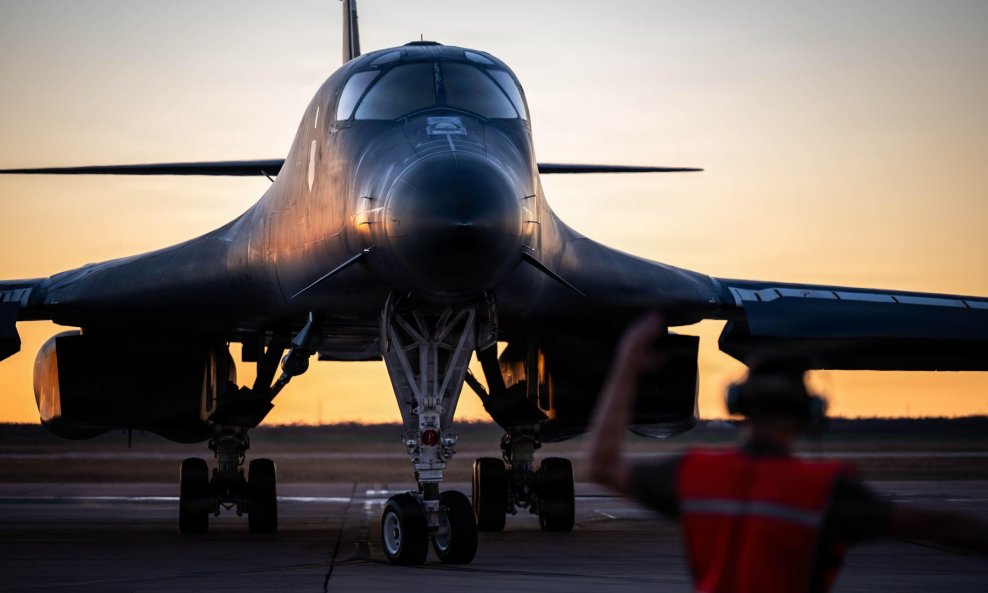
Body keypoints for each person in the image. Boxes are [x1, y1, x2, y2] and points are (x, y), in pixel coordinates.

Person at [587, 312, 988, 593]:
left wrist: (628, 360)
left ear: (737, 403)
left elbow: (603, 466)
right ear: (811, 411)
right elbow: (941, 524)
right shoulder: (824, 492)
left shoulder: (698, 476)